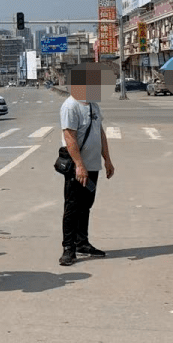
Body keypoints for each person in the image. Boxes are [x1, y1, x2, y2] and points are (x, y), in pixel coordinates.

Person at [58, 63, 116, 266]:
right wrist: (79, 166)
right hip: (78, 167)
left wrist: (107, 159)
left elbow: (100, 132)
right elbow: (69, 137)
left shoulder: (92, 105)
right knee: (72, 206)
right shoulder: (70, 105)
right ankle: (68, 248)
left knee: (86, 206)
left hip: (93, 166)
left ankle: (82, 242)